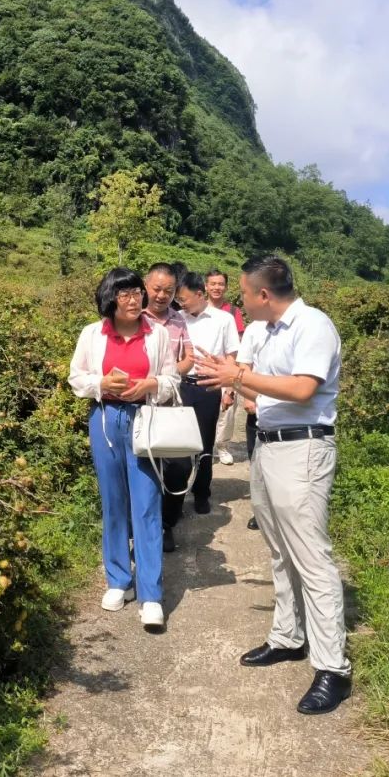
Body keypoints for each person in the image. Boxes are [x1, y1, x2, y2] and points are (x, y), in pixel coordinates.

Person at [196, 255, 352, 715]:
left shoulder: (312, 325)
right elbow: (254, 387)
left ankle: (333, 668)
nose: (240, 300)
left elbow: (303, 389)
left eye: (244, 293)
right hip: (267, 445)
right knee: (280, 550)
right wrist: (226, 378)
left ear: (264, 294)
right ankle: (288, 636)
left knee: (311, 557)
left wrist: (239, 376)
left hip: (303, 448)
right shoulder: (262, 330)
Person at [69, 268, 180, 630]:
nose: (133, 300)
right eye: (124, 294)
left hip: (145, 419)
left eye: (136, 292)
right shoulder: (92, 334)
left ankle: (151, 594)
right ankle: (119, 580)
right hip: (105, 420)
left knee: (147, 504)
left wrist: (151, 384)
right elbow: (76, 377)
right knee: (113, 502)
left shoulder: (157, 333)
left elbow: (172, 379)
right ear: (110, 298)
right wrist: (101, 383)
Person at [171, 272, 240, 516]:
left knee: (205, 444)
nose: (180, 303)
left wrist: (229, 390)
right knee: (178, 446)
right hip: (181, 386)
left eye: (183, 299)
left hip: (209, 387)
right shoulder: (177, 318)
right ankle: (175, 497)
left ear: (199, 294)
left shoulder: (224, 319)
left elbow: (232, 356)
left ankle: (201, 492)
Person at [141, 263, 195, 554]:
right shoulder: (134, 316)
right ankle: (142, 528)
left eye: (169, 291)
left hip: (170, 403)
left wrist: (168, 374)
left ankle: (167, 523)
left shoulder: (178, 320)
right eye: (157, 289)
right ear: (146, 286)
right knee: (144, 465)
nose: (162, 295)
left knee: (179, 465)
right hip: (138, 403)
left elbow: (189, 357)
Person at [206, 269, 245, 466]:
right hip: (203, 368)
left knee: (226, 410)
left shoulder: (233, 312)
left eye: (220, 284)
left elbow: (239, 344)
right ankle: (201, 448)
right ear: (205, 286)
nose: (216, 287)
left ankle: (221, 446)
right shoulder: (198, 310)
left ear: (226, 287)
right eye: (213, 284)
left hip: (227, 368)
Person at [230, 318, 266, 529]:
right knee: (256, 458)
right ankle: (260, 511)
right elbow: (244, 366)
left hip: (286, 410)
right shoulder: (254, 328)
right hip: (257, 403)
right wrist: (248, 397)